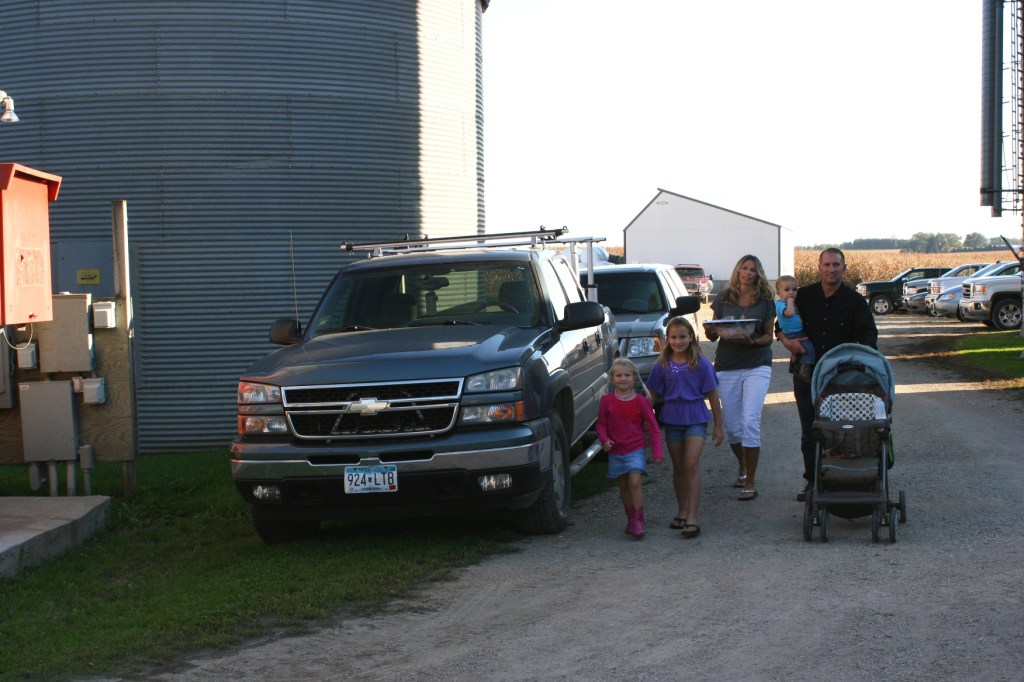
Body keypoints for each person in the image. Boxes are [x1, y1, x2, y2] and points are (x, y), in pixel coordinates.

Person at [775, 248, 878, 501]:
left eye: (836, 265)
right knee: (810, 429)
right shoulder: (803, 296)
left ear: (844, 268)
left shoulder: (854, 301)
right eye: (827, 265)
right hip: (806, 373)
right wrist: (787, 343)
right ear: (819, 267)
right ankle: (813, 481)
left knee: (843, 428)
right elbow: (781, 326)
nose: (831, 269)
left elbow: (868, 338)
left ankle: (845, 477)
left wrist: (861, 365)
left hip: (841, 377)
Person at [702, 255, 776, 502]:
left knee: (750, 422)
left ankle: (751, 481)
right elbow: (713, 335)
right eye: (744, 268)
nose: (747, 273)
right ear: (737, 271)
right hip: (727, 365)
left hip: (757, 364)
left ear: (758, 274)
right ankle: (743, 466)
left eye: (753, 270)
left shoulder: (766, 300)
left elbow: (768, 336)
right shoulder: (723, 298)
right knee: (733, 427)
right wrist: (710, 330)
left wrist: (751, 341)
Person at [647, 316, 723, 539]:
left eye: (682, 337)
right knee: (679, 466)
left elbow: (713, 395)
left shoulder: (701, 364)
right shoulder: (661, 365)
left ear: (691, 337)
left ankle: (693, 516)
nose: (678, 341)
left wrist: (719, 425)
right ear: (666, 340)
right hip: (672, 418)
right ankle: (681, 510)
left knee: (691, 463)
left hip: (696, 417)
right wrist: (640, 417)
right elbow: (652, 395)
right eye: (673, 337)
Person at [596, 358, 665, 538]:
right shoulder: (607, 401)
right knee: (624, 486)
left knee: (634, 482)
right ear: (612, 378)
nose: (623, 379)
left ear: (634, 378)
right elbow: (601, 424)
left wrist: (657, 451)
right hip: (616, 450)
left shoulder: (641, 401)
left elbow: (654, 427)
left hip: (636, 449)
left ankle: (638, 521)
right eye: (619, 375)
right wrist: (604, 440)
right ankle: (630, 517)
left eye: (627, 375)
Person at [775, 275, 815, 372]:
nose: (791, 293)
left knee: (797, 351)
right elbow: (789, 313)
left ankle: (793, 362)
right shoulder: (780, 305)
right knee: (808, 349)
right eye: (787, 290)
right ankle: (805, 367)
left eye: (794, 290)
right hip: (793, 333)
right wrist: (790, 301)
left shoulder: (791, 303)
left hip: (797, 332)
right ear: (779, 292)